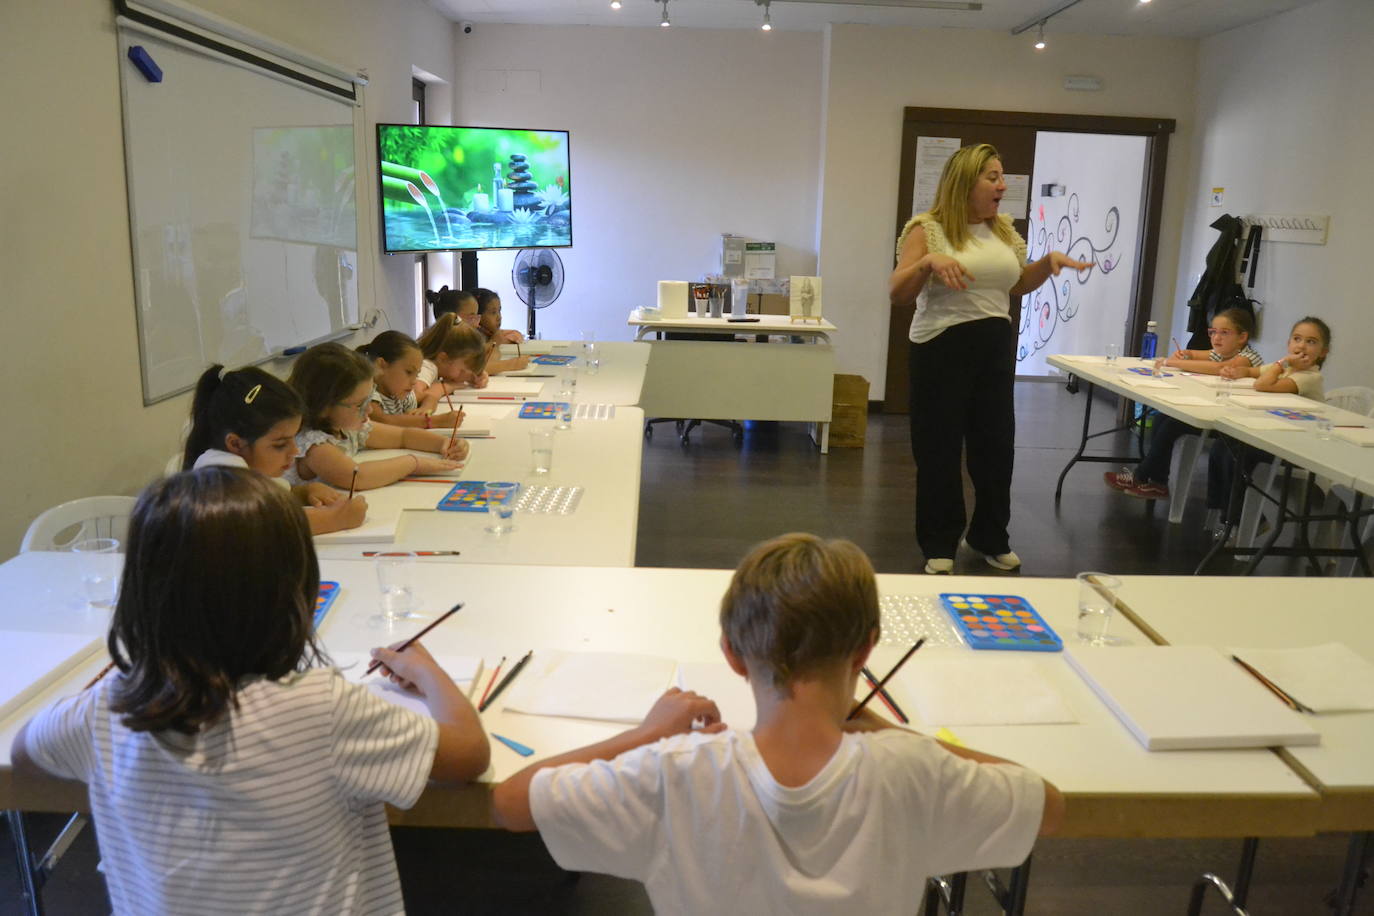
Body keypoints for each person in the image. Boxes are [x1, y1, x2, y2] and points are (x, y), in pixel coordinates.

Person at [491, 533, 1062, 914]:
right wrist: (883, 729)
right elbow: (1048, 806)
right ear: (864, 651)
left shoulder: (671, 771)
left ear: (732, 655)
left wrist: (647, 733)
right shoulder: (911, 771)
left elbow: (511, 802)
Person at [9, 468, 489, 914]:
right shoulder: (321, 707)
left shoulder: (108, 706)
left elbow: (26, 752)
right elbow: (469, 754)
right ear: (297, 592)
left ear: (141, 596)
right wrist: (428, 673)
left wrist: (123, 682)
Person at [889, 143, 1090, 574]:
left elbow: (1015, 285)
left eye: (1002, 177)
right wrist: (927, 263)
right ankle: (939, 541)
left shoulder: (1002, 230)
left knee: (996, 449)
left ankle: (989, 535)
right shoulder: (928, 229)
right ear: (966, 182)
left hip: (994, 346)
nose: (1002, 185)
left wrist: (1048, 264)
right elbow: (897, 292)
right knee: (939, 449)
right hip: (940, 348)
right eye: (993, 177)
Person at [182, 364, 367, 534]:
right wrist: (337, 518)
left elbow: (275, 497)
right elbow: (262, 524)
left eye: (293, 439)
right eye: (280, 444)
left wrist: (306, 492)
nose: (295, 450)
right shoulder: (217, 472)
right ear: (236, 444)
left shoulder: (249, 468)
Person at [1103, 308, 1265, 500]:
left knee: (1171, 425)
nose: (1216, 338)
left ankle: (1141, 476)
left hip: (1232, 422)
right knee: (1162, 418)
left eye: (1224, 332)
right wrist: (1185, 355)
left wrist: (1174, 363)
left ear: (1242, 337)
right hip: (1213, 413)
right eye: (1212, 332)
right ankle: (1157, 483)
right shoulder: (1220, 353)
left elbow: (1220, 368)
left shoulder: (1248, 357)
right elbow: (1197, 355)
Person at [286, 342, 466, 490]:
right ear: (324, 406)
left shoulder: (346, 426)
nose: (369, 410)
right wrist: (414, 463)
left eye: (368, 400)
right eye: (359, 405)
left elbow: (403, 437)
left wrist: (443, 443)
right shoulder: (313, 444)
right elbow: (357, 476)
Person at [1206, 316, 1332, 527]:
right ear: (1289, 343)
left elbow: (1262, 384)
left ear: (1323, 352)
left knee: (1238, 454)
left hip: (1297, 446)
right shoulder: (1285, 369)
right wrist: (1236, 371)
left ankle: (1246, 521)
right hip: (1276, 435)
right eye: (1297, 339)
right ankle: (1224, 510)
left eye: (1311, 342)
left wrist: (1282, 363)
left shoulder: (1310, 377)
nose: (1302, 346)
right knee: (1222, 446)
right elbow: (1252, 372)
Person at [357, 331, 463, 430]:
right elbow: (383, 421)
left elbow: (429, 397)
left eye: (416, 375)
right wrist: (435, 421)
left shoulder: (399, 393)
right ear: (381, 365)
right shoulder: (367, 394)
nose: (413, 381)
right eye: (408, 372)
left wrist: (425, 410)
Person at [413, 314, 493, 409]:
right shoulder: (427, 367)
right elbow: (414, 396)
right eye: (461, 371)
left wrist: (474, 376)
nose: (462, 377)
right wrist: (447, 386)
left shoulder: (438, 364)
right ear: (443, 359)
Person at [471, 288, 531, 374]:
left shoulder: (489, 332)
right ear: (478, 316)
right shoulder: (472, 336)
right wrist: (513, 364)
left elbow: (515, 334)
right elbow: (475, 368)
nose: (499, 317)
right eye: (493, 312)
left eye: (499, 311)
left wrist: (502, 340)